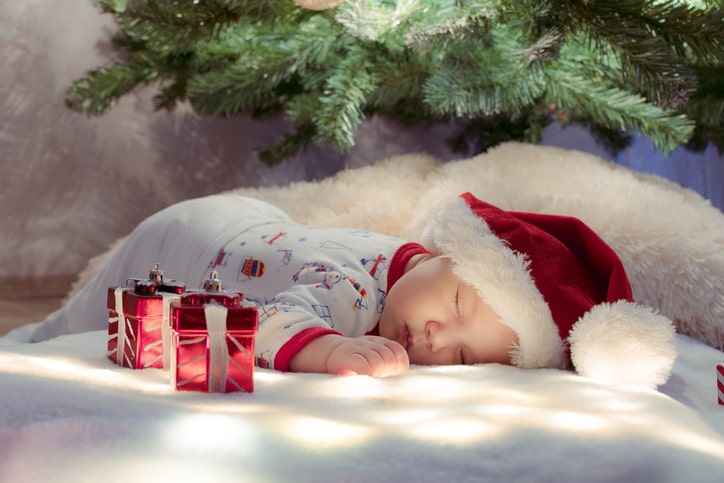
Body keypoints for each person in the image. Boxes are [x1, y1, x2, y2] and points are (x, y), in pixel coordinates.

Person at [30, 192, 677, 388]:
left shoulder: (411, 277)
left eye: (456, 356)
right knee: (74, 330)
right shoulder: (355, 286)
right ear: (442, 254)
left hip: (239, 224)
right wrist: (331, 350)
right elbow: (288, 313)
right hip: (187, 239)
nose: (435, 337)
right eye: (456, 307)